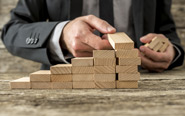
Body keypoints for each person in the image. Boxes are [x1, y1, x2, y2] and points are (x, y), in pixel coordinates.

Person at [1, 0, 184, 72]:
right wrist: (61, 35)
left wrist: (172, 52)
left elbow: (166, 31)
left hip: (141, 87)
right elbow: (12, 31)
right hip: (64, 92)